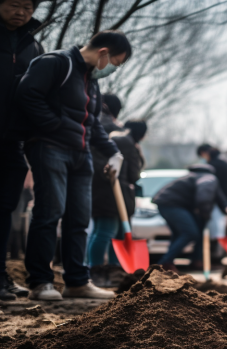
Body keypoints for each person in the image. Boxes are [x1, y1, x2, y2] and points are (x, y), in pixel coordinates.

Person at [15, 30, 132, 301]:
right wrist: (56, 127)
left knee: (79, 218)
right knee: (49, 212)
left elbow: (91, 123)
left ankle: (77, 281)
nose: (113, 69)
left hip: (82, 155)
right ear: (103, 52)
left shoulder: (91, 80)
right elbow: (27, 95)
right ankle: (40, 281)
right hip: (50, 147)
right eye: (116, 62)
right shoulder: (56, 63)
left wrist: (114, 152)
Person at [0, 0, 42, 300]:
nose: (21, 12)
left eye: (28, 6)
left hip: (12, 141)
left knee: (4, 209)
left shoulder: (34, 47)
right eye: (14, 4)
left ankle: (0, 277)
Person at [87, 119, 147, 271]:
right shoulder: (126, 142)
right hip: (114, 194)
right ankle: (98, 269)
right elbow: (134, 174)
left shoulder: (106, 137)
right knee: (107, 231)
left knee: (102, 231)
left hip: (100, 191)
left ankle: (104, 268)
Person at [152, 164, 227, 273]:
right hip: (173, 204)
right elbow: (204, 197)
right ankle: (164, 263)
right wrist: (205, 214)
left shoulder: (197, 176)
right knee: (190, 232)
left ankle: (195, 261)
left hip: (166, 203)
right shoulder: (208, 178)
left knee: (179, 234)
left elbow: (219, 196)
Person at [196, 143, 227, 240]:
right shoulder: (225, 163)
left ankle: (216, 250)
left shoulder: (212, 167)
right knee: (226, 228)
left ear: (204, 153)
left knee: (217, 230)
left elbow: (213, 187)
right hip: (226, 200)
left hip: (217, 203)